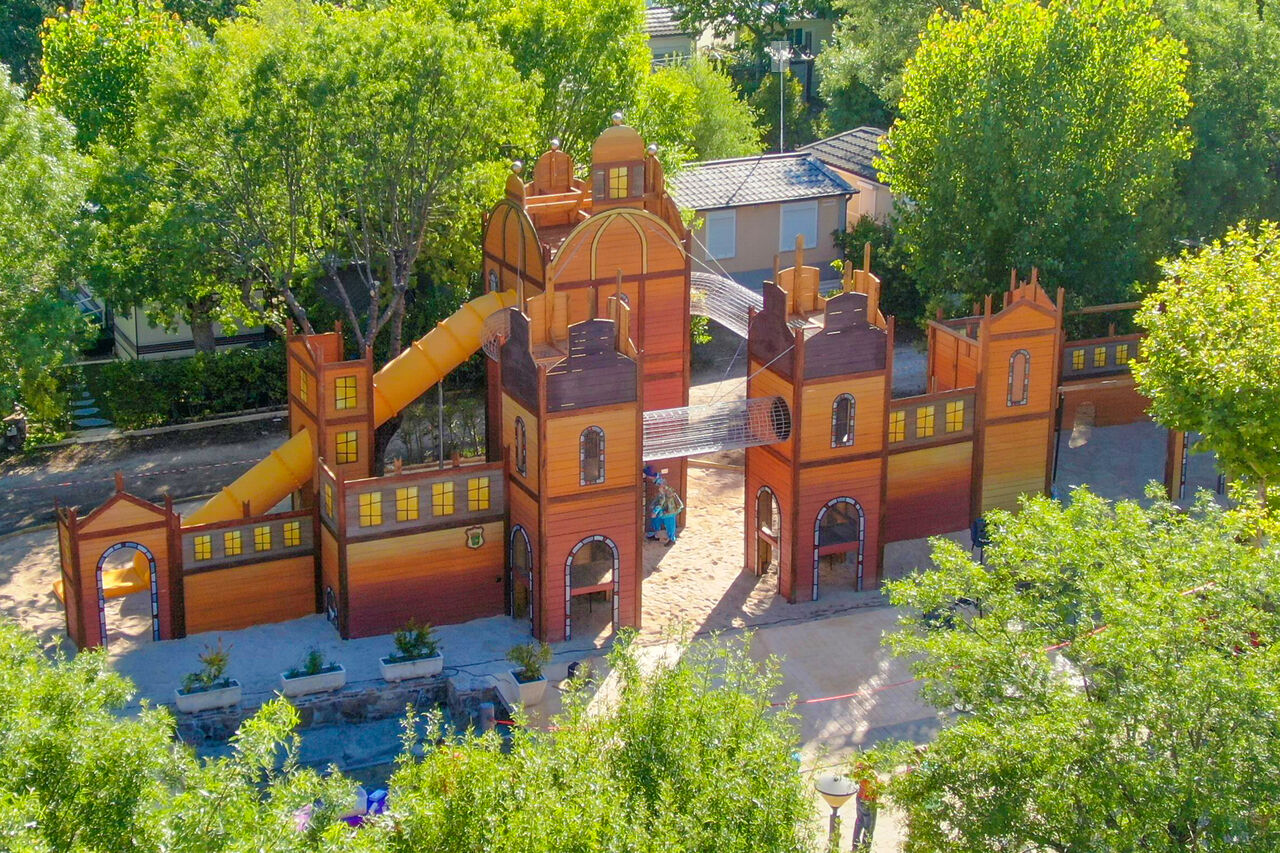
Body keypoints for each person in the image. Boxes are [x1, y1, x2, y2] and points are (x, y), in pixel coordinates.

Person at [851, 762, 880, 850]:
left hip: (859, 798)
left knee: (859, 822)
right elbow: (875, 788)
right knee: (869, 828)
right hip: (869, 801)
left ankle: (855, 845)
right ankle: (865, 849)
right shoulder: (871, 774)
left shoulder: (858, 767)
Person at [649, 478, 684, 546]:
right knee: (656, 521)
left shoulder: (664, 491)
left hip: (669, 511)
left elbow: (661, 502)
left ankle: (672, 539)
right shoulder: (667, 489)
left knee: (669, 525)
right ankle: (656, 535)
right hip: (666, 510)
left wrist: (655, 512)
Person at [643, 465, 661, 540]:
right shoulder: (657, 482)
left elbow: (662, 498)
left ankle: (655, 535)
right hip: (656, 503)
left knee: (655, 519)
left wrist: (656, 510)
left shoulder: (660, 484)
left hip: (659, 505)